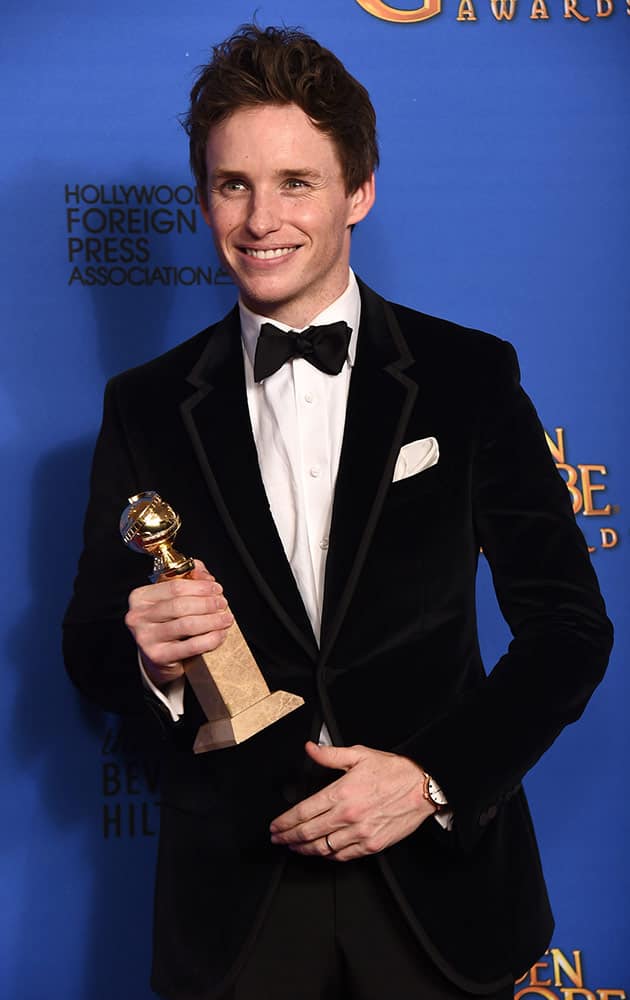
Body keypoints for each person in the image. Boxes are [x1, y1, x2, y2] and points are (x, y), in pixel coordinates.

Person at [63, 23, 613, 1000]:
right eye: (233, 184)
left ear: (358, 191)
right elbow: (90, 649)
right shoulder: (143, 404)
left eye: (296, 182)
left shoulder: (467, 376)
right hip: (235, 902)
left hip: (440, 897)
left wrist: (432, 777)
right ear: (204, 199)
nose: (259, 217)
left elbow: (569, 627)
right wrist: (149, 659)